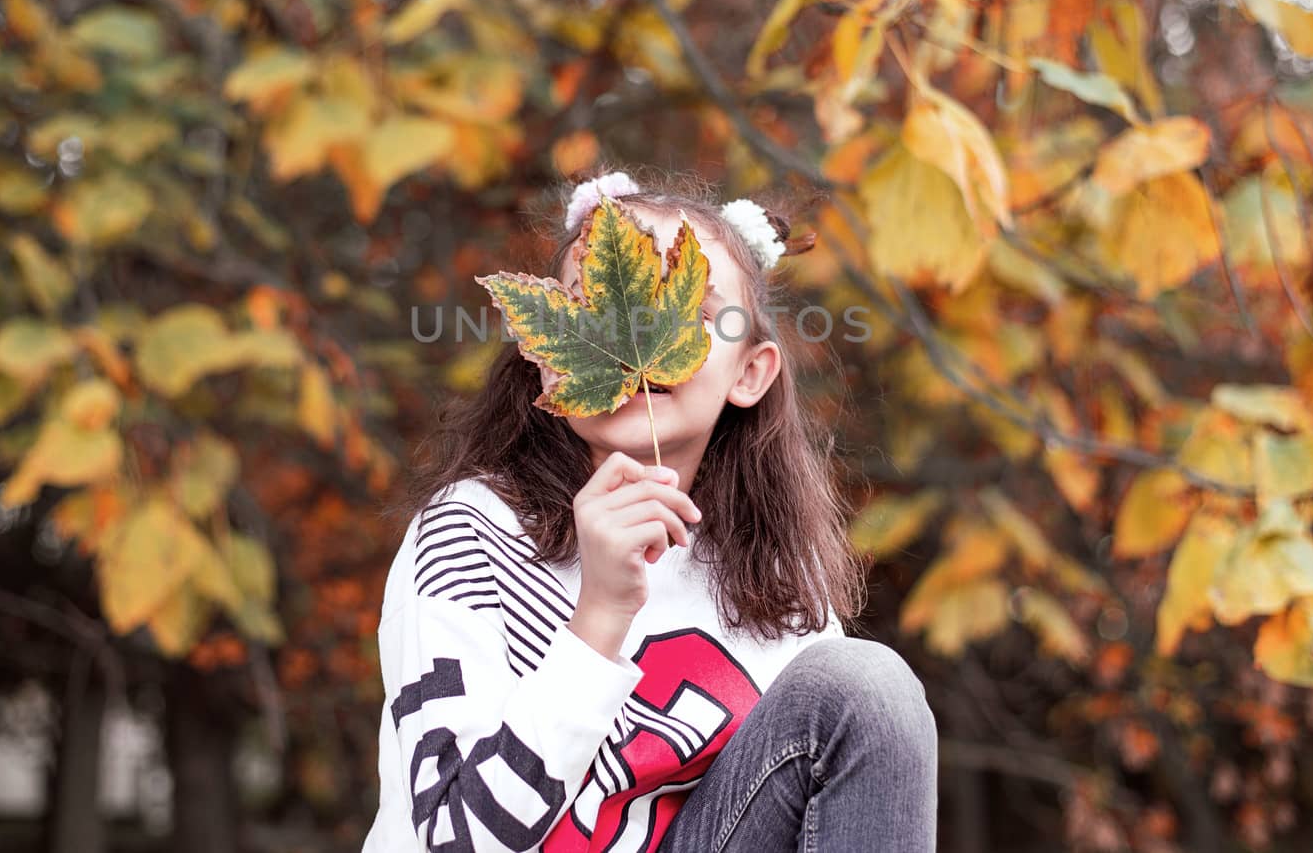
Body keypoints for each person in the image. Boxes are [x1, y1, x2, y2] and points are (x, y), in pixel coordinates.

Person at [362, 168, 938, 852]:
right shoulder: (468, 534)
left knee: (867, 688)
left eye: (690, 313)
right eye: (598, 313)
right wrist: (599, 616)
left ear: (750, 373)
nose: (638, 340)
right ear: (546, 355)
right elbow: (453, 839)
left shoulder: (777, 574)